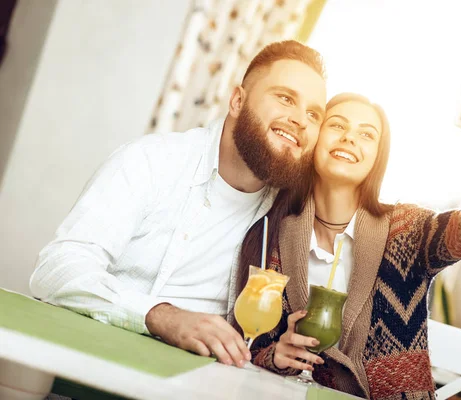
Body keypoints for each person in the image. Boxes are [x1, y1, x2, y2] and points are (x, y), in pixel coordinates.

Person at [239, 88, 461, 399]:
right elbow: (252, 344)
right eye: (336, 125)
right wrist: (274, 356)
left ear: (377, 158)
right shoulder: (274, 232)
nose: (349, 137)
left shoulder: (405, 230)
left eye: (367, 134)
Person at [29, 40, 327, 369]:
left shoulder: (288, 214)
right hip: (90, 364)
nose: (300, 119)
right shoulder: (152, 161)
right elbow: (56, 268)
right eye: (285, 98)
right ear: (237, 100)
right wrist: (162, 317)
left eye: (313, 114)